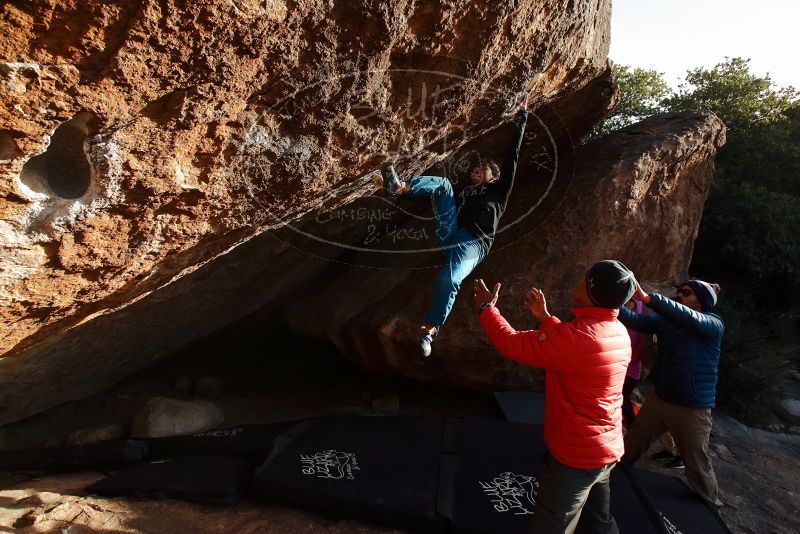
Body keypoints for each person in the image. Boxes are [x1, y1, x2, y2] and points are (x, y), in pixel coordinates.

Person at [473, 260, 636, 534]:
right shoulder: (618, 332)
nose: (579, 281)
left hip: (577, 456)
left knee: (554, 523)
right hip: (606, 447)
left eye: (586, 279)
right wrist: (546, 319)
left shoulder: (576, 338)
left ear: (591, 290)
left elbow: (511, 342)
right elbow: (576, 348)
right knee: (599, 522)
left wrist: (486, 309)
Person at [372, 103, 529, 357]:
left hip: (473, 244)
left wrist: (522, 118)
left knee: (448, 279)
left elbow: (512, 157)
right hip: (450, 232)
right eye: (475, 169)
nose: (476, 171)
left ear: (495, 175)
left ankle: (430, 330)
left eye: (482, 168)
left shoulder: (499, 190)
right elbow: (433, 201)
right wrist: (399, 193)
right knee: (443, 185)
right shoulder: (464, 192)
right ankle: (399, 186)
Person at [617, 279, 724, 508]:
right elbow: (636, 321)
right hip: (660, 398)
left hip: (692, 406)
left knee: (696, 460)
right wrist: (611, 304)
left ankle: (709, 504)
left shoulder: (713, 323)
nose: (680, 295)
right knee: (633, 441)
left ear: (702, 299)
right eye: (680, 292)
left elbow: (690, 318)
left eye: (686, 292)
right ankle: (614, 479)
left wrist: (648, 299)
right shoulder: (668, 321)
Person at [621, 298, 646, 428]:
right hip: (616, 363)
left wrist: (627, 361)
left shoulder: (642, 310)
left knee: (623, 398)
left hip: (630, 368)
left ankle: (631, 427)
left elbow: (642, 344)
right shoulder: (617, 306)